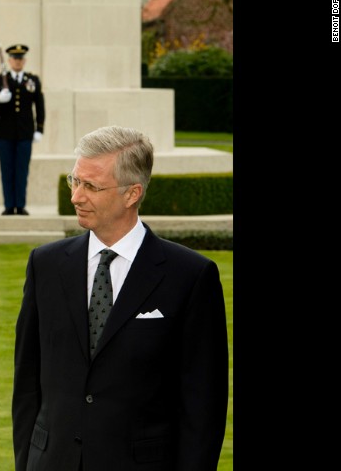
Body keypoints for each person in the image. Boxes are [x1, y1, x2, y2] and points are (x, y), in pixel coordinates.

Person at [12, 126, 228, 471]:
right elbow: (26, 383)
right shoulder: (45, 264)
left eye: (91, 186)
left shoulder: (190, 276)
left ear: (133, 194)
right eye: (75, 181)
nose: (76, 197)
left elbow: (203, 405)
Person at [0, 44, 45, 216]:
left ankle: (20, 205)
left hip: (25, 132)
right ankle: (8, 205)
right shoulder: (0, 79)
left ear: (24, 60)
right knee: (7, 169)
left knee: (22, 169)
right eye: (14, 58)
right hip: (5, 133)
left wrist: (39, 128)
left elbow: (39, 105)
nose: (18, 61)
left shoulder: (32, 80)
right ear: (9, 60)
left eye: (20, 58)